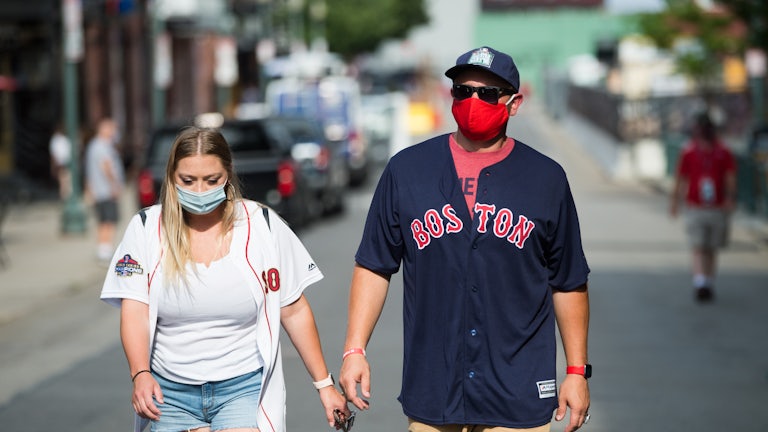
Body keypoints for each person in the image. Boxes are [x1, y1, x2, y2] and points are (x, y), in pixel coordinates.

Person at [339, 46, 591, 432]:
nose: (473, 100)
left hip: (517, 388)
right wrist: (354, 349)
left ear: (514, 103)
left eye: (488, 93)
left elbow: (568, 281)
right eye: (463, 90)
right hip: (435, 389)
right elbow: (374, 265)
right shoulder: (408, 170)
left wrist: (576, 371)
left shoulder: (546, 178)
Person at [99, 126, 350, 432]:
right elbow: (135, 310)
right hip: (169, 394)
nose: (200, 191)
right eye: (188, 181)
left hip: (242, 389)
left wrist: (324, 385)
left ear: (228, 175)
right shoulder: (146, 229)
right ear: (171, 177)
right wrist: (140, 374)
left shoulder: (262, 226)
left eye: (212, 180)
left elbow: (293, 310)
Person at [669, 111, 737, 302]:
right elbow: (681, 179)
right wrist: (675, 201)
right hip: (696, 206)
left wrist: (730, 198)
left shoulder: (723, 152)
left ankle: (708, 280)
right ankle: (700, 281)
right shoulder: (689, 151)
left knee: (711, 247)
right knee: (698, 245)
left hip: (716, 206)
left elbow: (730, 177)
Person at [85, 118, 125, 262]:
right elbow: (106, 166)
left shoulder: (94, 145)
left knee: (103, 221)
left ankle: (103, 249)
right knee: (109, 220)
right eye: (112, 129)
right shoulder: (102, 146)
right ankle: (105, 251)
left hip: (99, 191)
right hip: (106, 191)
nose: (114, 132)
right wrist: (115, 185)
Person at [49, 123, 72, 200]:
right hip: (61, 163)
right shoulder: (56, 139)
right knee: (64, 181)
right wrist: (54, 165)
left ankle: (67, 197)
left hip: (66, 163)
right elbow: (54, 154)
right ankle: (65, 198)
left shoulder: (64, 138)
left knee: (67, 181)